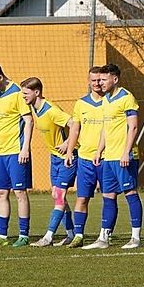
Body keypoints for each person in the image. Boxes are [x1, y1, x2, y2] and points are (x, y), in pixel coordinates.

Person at [84, 64, 144, 250]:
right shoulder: (106, 100)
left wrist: (126, 151)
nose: (100, 83)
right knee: (108, 195)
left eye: (103, 79)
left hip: (123, 156)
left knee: (130, 193)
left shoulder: (127, 98)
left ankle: (135, 237)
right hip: (108, 157)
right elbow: (105, 129)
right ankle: (104, 237)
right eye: (98, 79)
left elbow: (133, 127)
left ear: (114, 79)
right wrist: (99, 150)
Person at [0, 62, 34, 248]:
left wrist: (25, 148)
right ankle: (1, 236)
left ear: (0, 77)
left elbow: (28, 121)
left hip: (16, 152)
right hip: (1, 153)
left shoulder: (18, 93)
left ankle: (23, 235)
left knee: (19, 192)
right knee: (1, 193)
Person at [21, 77, 77, 247]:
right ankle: (71, 234)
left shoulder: (51, 110)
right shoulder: (34, 109)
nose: (23, 96)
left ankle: (48, 237)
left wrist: (67, 144)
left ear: (36, 92)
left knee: (59, 196)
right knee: (57, 196)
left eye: (26, 93)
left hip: (68, 157)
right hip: (54, 158)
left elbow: (74, 124)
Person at [63, 66, 106, 247]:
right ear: (88, 81)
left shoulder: (110, 102)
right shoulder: (81, 104)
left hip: (107, 157)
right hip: (85, 158)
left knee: (109, 197)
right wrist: (69, 151)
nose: (97, 83)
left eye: (99, 80)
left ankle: (105, 235)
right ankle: (79, 235)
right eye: (93, 80)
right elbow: (75, 129)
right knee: (82, 198)